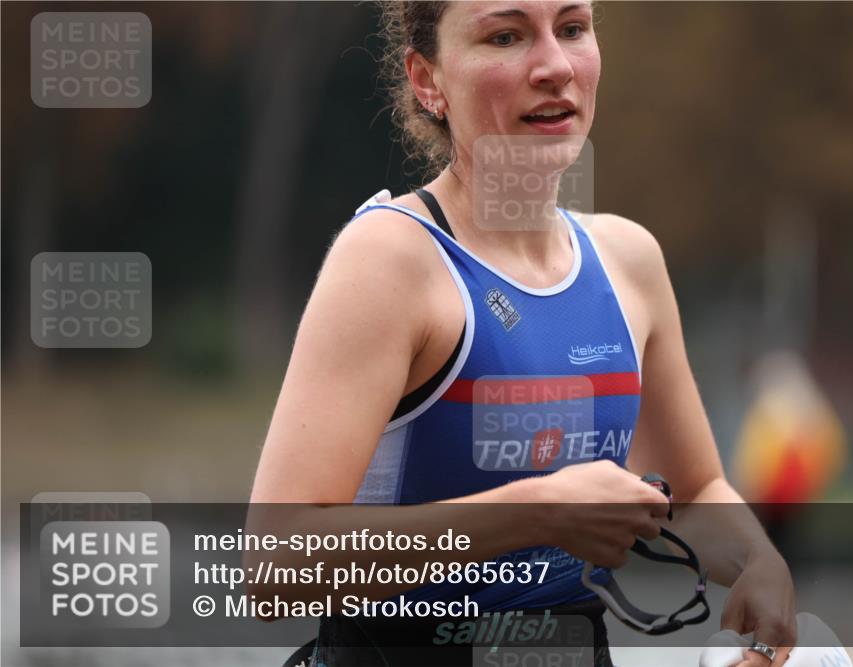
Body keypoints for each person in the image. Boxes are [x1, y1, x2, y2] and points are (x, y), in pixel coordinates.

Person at [249, 2, 796, 666]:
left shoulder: (629, 261)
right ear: (428, 80)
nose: (555, 66)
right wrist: (538, 509)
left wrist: (759, 562)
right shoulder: (391, 260)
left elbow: (696, 494)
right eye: (505, 37)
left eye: (572, 29)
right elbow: (277, 562)